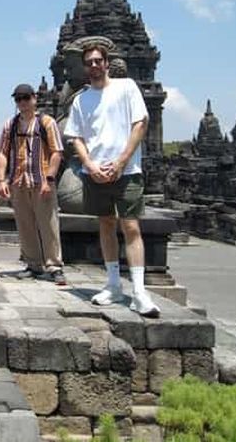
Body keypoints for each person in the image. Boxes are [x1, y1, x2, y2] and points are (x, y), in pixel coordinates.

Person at [65, 39, 160, 317]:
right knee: (106, 225)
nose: (94, 66)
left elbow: (140, 124)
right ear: (85, 67)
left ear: (106, 63)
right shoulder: (81, 99)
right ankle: (114, 284)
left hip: (126, 170)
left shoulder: (127, 87)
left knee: (131, 226)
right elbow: (76, 137)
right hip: (94, 170)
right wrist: (89, 165)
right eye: (89, 62)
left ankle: (140, 292)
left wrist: (121, 161)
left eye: (98, 61)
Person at [0, 84, 66, 285]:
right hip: (19, 181)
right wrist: (1, 179)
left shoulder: (47, 122)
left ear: (34, 98)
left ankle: (54, 266)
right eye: (18, 99)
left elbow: (56, 152)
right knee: (24, 224)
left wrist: (50, 178)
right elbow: (2, 152)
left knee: (48, 224)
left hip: (41, 181)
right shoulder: (11, 125)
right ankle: (33, 264)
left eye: (26, 98)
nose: (22, 102)